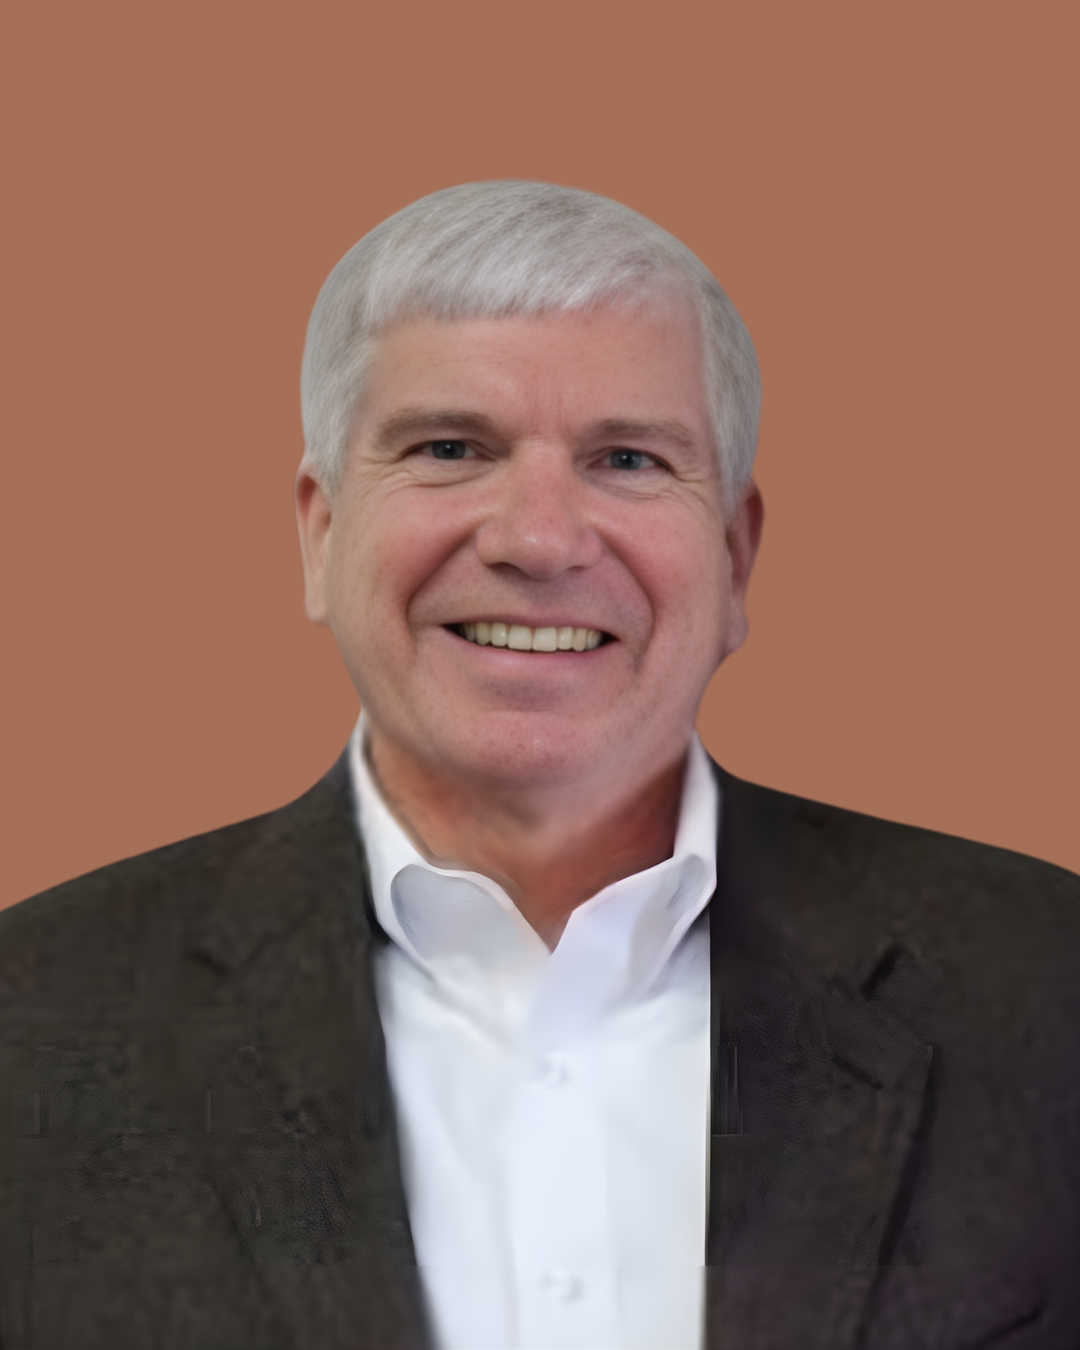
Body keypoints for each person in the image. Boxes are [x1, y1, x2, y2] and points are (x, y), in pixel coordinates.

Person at [1, 182, 1078, 1350]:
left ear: (735, 557)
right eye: (451, 448)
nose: (539, 539)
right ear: (319, 532)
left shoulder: (1046, 984)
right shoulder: (34, 1020)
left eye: (626, 459)